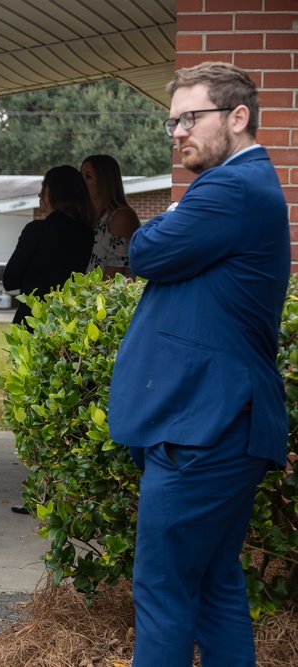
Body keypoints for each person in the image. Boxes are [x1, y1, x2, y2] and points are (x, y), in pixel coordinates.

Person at [109, 61, 289, 667]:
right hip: (220, 426)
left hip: (203, 429)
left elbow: (143, 249)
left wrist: (163, 227)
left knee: (162, 591)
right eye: (172, 121)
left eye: (191, 117)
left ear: (237, 117)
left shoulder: (230, 187)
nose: (178, 131)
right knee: (214, 586)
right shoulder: (242, 186)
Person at [2, 165, 95, 327]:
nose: (39, 193)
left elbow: (10, 280)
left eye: (43, 187)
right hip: (68, 323)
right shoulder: (88, 234)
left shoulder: (36, 231)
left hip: (32, 323)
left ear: (55, 192)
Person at [81, 154, 140, 278]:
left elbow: (114, 275)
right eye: (80, 176)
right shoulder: (89, 218)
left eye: (88, 177)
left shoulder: (120, 218)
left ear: (105, 182)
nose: (81, 182)